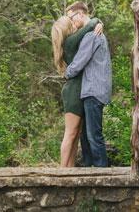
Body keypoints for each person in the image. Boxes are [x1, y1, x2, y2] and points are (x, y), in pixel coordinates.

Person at [51, 10, 103, 167]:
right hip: (74, 91)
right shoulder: (71, 41)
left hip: (79, 90)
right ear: (67, 28)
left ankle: (70, 170)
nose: (74, 24)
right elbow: (90, 24)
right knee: (70, 133)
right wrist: (98, 21)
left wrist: (99, 22)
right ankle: (62, 171)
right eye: (71, 22)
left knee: (75, 135)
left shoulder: (70, 42)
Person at [64, 1, 112, 167]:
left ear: (81, 14)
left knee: (93, 135)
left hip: (93, 90)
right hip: (91, 90)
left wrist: (66, 73)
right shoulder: (93, 31)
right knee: (86, 134)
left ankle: (102, 172)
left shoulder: (91, 36)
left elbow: (78, 63)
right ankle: (89, 168)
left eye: (71, 18)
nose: (71, 22)